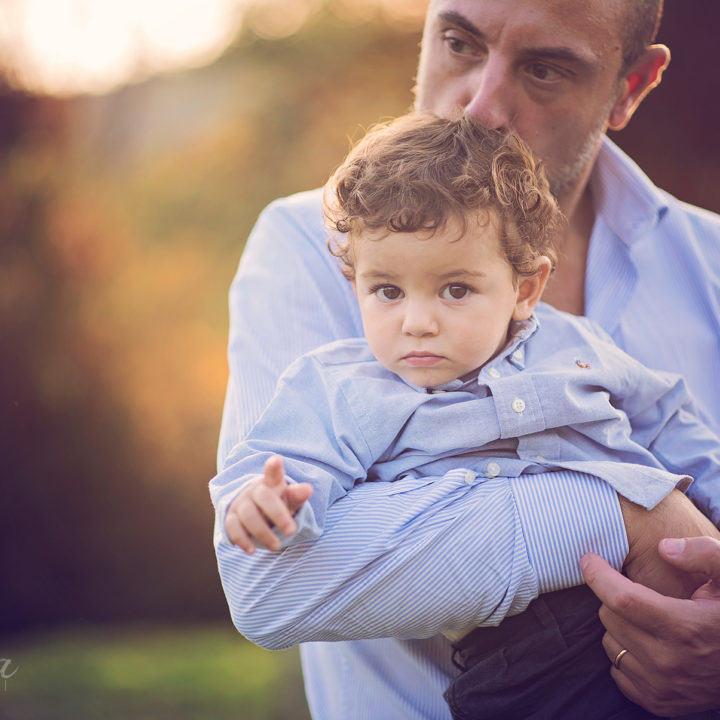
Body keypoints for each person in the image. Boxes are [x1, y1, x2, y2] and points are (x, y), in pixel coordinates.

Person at [212, 1, 720, 717]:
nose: (478, 107)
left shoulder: (707, 268)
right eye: (459, 43)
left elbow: (672, 420)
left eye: (543, 69)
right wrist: (630, 513)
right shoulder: (310, 246)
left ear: (631, 86)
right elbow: (270, 583)